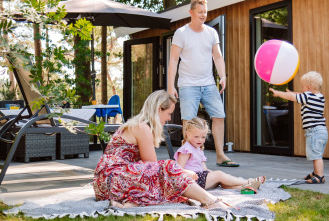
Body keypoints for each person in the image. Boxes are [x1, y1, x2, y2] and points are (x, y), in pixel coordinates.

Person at [93, 90, 231, 209]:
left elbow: (149, 171)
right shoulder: (142, 127)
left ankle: (130, 204)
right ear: (159, 109)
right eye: (169, 113)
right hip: (113, 180)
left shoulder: (137, 124)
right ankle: (209, 200)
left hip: (107, 184)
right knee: (168, 167)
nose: (169, 118)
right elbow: (154, 167)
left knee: (166, 177)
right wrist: (182, 171)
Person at [167, 0, 238, 167]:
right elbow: (173, 60)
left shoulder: (211, 32)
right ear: (191, 12)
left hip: (208, 83)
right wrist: (171, 86)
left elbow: (218, 56)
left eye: (205, 12)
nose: (203, 15)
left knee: (219, 116)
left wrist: (223, 76)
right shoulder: (181, 33)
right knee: (188, 121)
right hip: (188, 84)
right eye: (200, 12)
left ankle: (221, 155)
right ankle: (188, 159)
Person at [174, 117, 265, 192]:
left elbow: (204, 169)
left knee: (221, 180)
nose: (200, 140)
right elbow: (177, 170)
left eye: (203, 137)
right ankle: (247, 181)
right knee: (219, 175)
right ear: (188, 134)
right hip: (192, 181)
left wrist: (213, 174)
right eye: (196, 137)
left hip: (200, 178)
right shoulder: (186, 149)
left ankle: (242, 187)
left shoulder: (198, 148)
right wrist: (217, 175)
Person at [269, 71, 328, 184]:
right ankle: (316, 172)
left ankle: (320, 176)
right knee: (317, 153)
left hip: (314, 131)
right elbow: (300, 95)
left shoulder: (307, 96)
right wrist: (294, 93)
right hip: (322, 130)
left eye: (302, 87)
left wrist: (278, 93)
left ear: (308, 87)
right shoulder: (320, 97)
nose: (301, 90)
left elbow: (293, 97)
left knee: (316, 155)